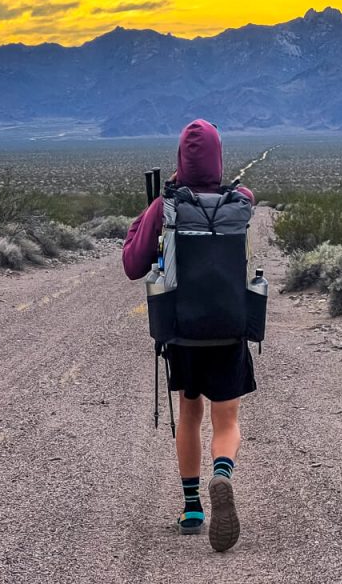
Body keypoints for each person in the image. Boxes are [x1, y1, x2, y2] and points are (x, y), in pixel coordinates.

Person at [122, 119, 256, 553]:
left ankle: (193, 507)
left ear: (181, 159)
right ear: (218, 158)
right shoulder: (243, 200)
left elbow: (133, 265)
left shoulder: (166, 207)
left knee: (190, 411)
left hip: (183, 331)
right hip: (230, 327)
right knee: (227, 418)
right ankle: (222, 472)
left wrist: (142, 220)